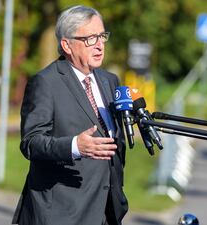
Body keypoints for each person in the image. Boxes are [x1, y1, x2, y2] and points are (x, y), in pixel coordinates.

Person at [12, 5, 128, 225]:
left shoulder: (110, 81)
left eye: (102, 36)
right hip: (61, 213)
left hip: (105, 210)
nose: (100, 45)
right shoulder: (45, 83)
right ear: (67, 44)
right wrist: (75, 146)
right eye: (90, 39)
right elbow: (31, 143)